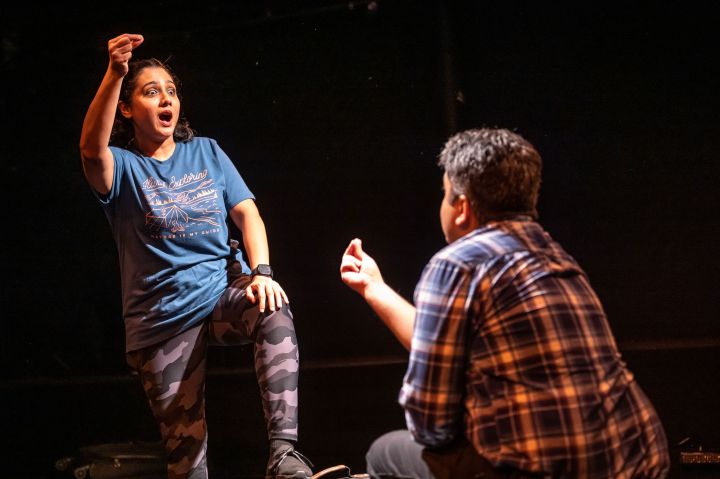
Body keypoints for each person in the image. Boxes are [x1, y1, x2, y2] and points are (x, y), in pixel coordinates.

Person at [340, 128, 670, 478]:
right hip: (635, 460)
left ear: (462, 207)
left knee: (385, 454)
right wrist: (374, 288)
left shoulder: (456, 263)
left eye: (445, 194)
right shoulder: (555, 256)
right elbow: (438, 341)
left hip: (542, 471)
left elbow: (430, 423)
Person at [79, 33, 313, 479]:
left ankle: (284, 454)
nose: (166, 98)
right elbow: (91, 150)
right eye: (151, 92)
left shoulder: (206, 151)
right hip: (162, 317)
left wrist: (262, 272)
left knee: (272, 306)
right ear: (127, 109)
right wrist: (115, 74)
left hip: (221, 292)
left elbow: (247, 214)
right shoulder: (124, 167)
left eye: (171, 90)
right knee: (187, 459)